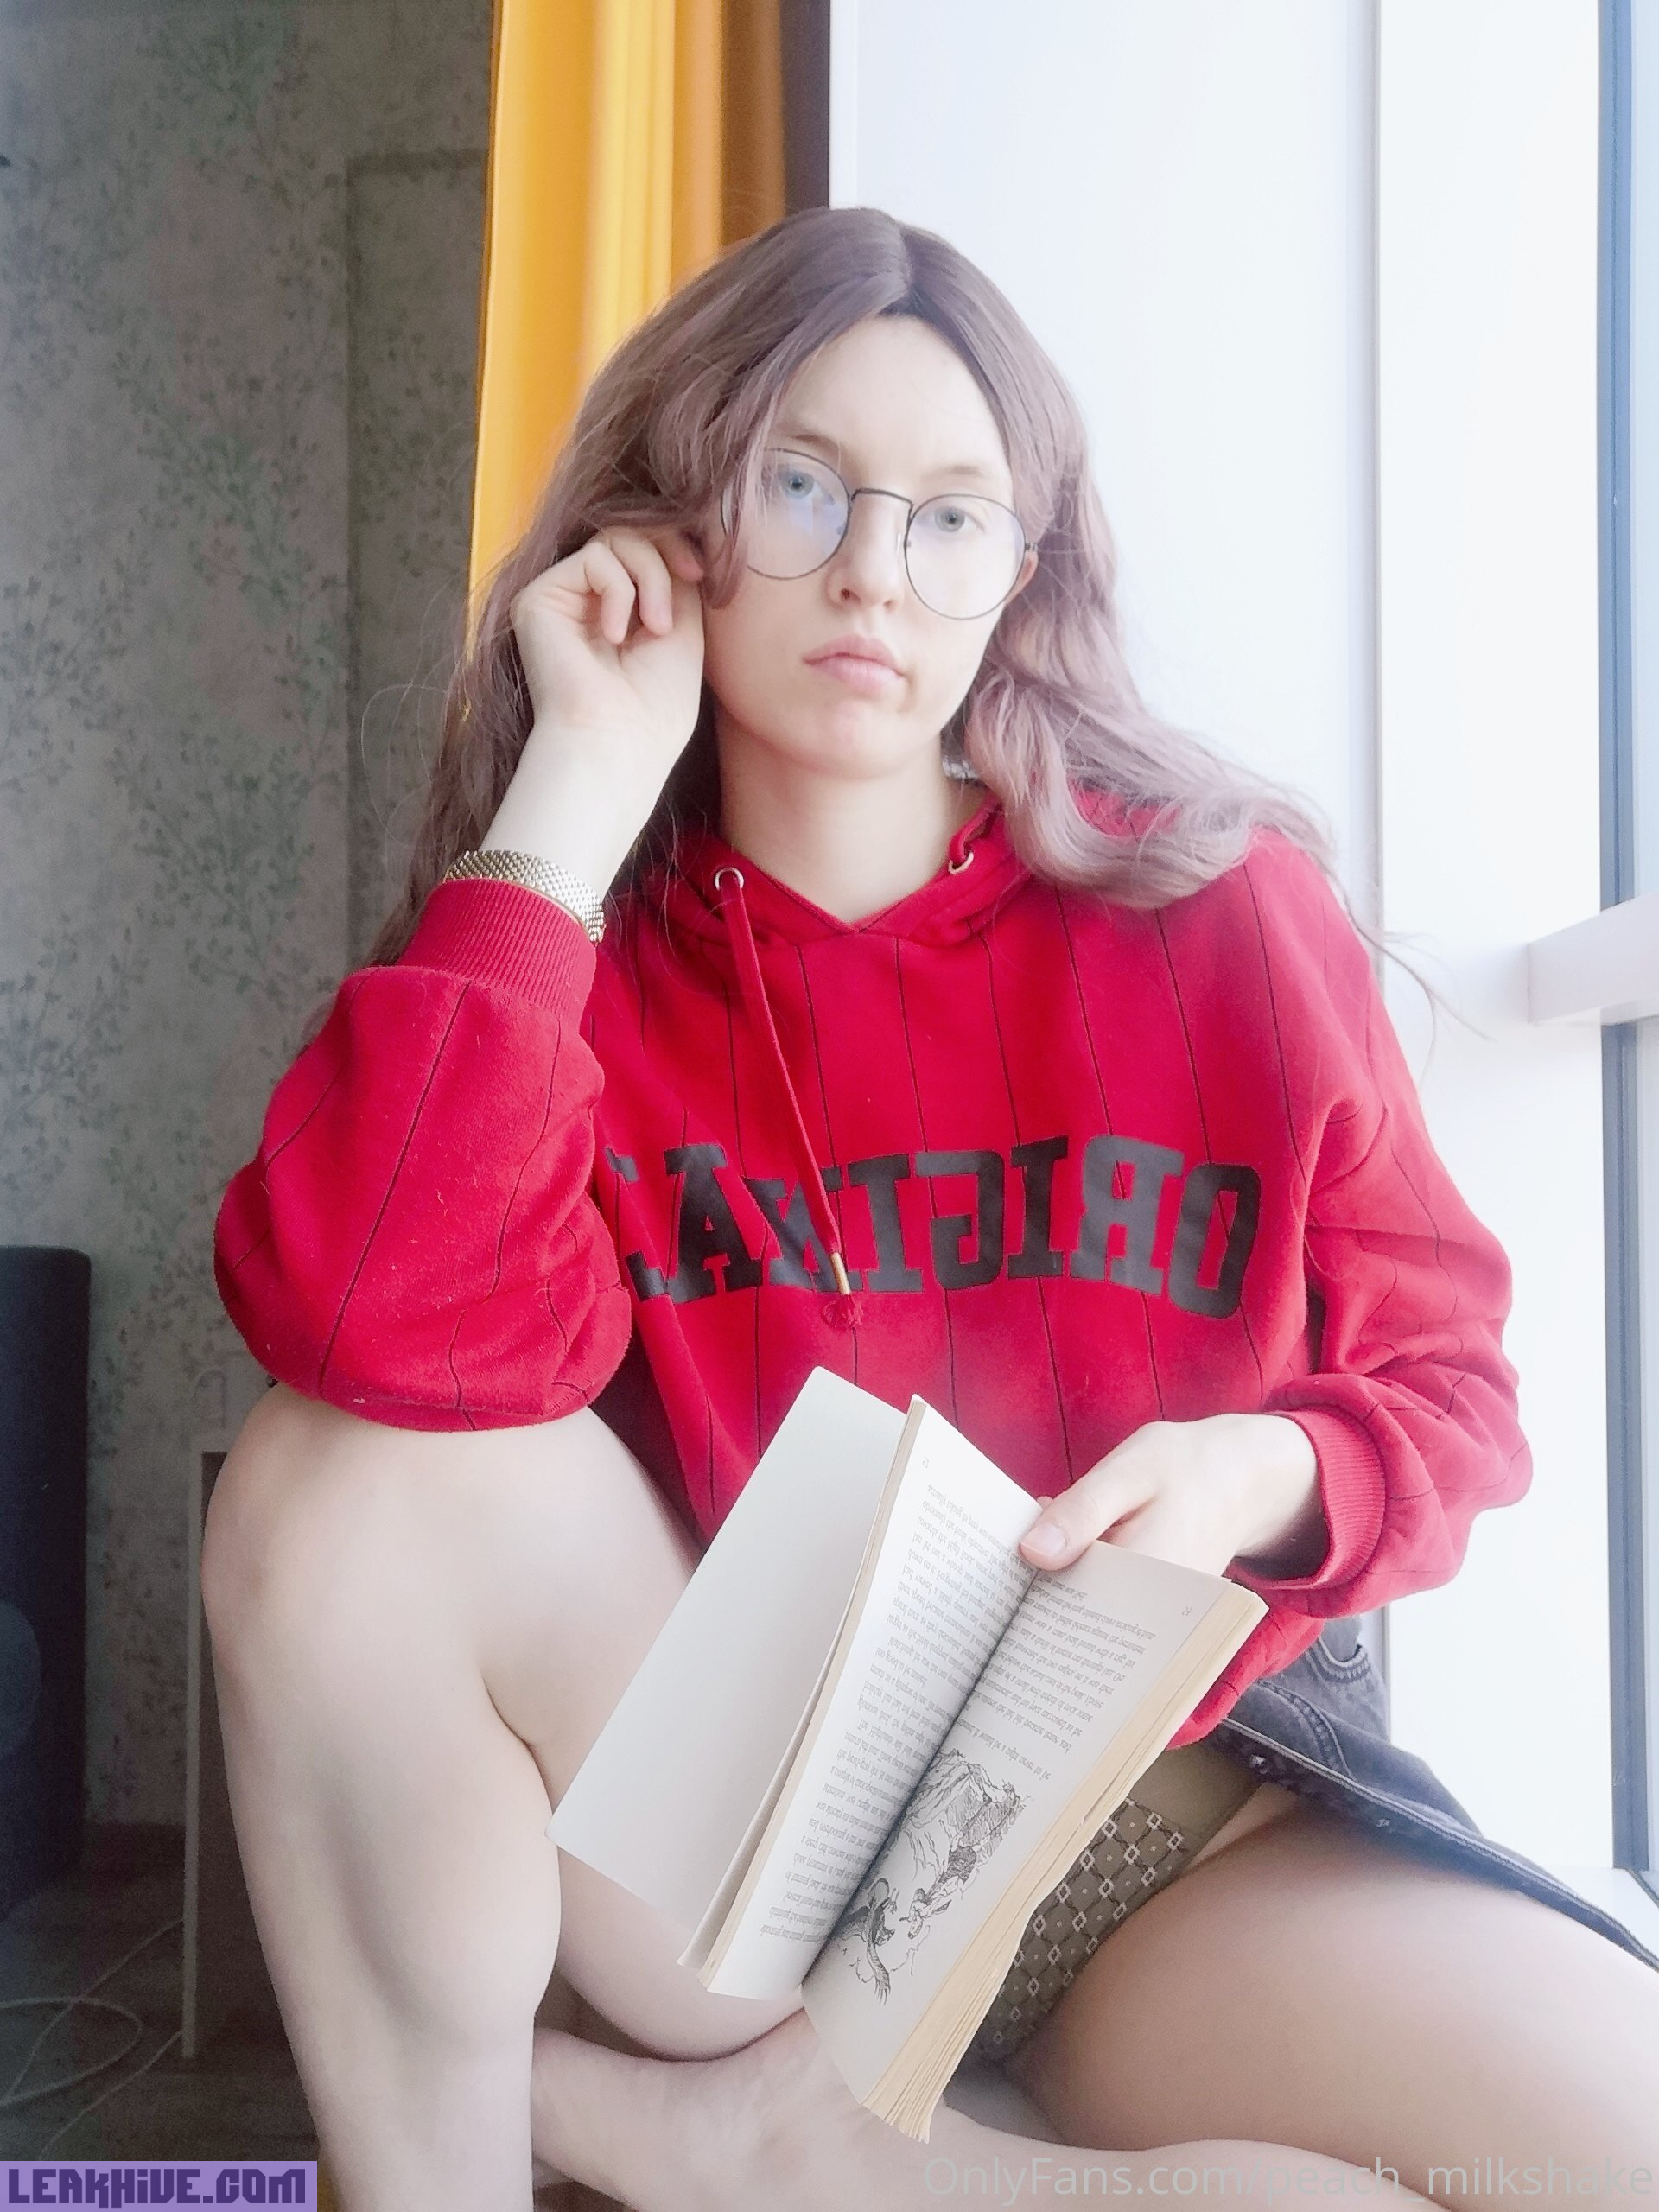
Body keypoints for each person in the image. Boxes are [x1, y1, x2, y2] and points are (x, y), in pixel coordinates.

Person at [201, 207, 1659, 2212]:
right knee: (322, 1478)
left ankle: (800, 2163)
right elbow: (362, 1325)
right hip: (746, 1850)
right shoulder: (573, 965)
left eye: (953, 517)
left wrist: (1252, 1467)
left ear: (1020, 575)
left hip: (1176, 1834)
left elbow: (1452, 1389)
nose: (876, 571)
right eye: (800, 485)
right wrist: (575, 794)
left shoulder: (1218, 913)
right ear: (672, 517)